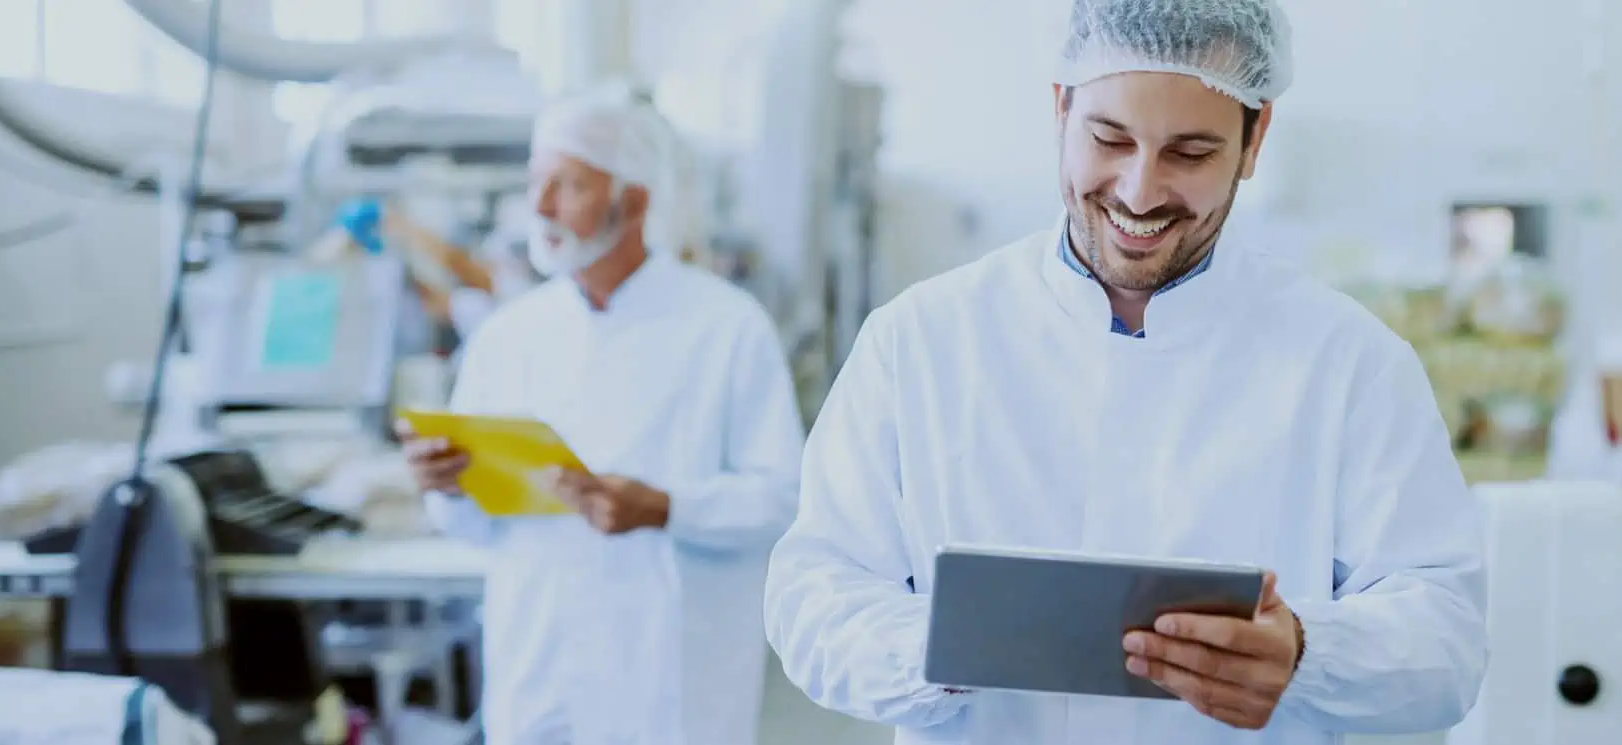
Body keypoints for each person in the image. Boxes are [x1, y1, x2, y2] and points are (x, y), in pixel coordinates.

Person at [763, 1, 1487, 743]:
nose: (1140, 192)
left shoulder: (1350, 365)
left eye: (1191, 152)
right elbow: (815, 594)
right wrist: (937, 646)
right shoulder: (919, 342)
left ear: (1255, 136)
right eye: (1110, 138)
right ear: (1060, 107)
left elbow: (1448, 639)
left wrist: (1307, 652)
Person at [398, 87, 806, 745]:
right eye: (536, 183)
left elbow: (784, 501)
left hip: (668, 680)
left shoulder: (726, 327)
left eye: (567, 185)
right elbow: (474, 527)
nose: (540, 207)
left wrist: (667, 507)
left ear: (633, 200)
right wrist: (445, 483)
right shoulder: (508, 335)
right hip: (538, 668)